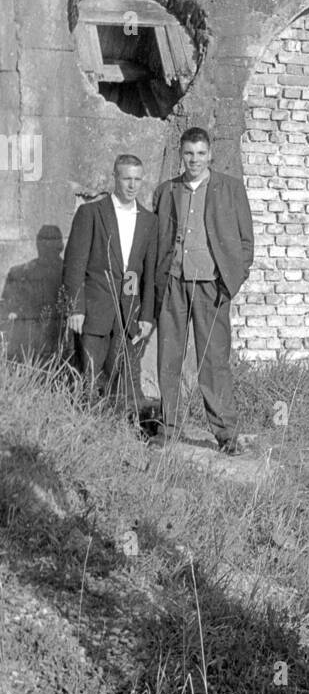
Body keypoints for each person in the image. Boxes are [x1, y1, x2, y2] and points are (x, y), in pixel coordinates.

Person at [152, 127, 253, 453]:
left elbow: (245, 242)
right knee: (169, 358)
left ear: (210, 154)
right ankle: (168, 429)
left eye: (200, 153)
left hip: (212, 287)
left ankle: (226, 435)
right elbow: (159, 240)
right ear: (181, 155)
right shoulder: (166, 191)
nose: (194, 160)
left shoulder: (230, 189)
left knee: (213, 362)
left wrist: (230, 283)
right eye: (188, 153)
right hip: (174, 286)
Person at [62, 154, 156, 415]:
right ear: (115, 177)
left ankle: (119, 432)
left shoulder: (149, 220)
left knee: (124, 381)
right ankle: (85, 430)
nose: (132, 185)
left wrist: (147, 315)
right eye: (127, 178)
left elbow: (148, 273)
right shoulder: (91, 213)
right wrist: (75, 307)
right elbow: (75, 263)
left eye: (137, 179)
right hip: (93, 311)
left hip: (128, 315)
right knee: (88, 379)